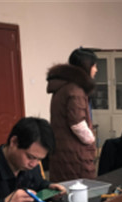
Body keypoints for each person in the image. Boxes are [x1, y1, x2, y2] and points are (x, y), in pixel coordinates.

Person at [46, 47, 98, 181]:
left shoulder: (64, 87)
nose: (96, 70)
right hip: (75, 155)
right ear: (87, 66)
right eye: (94, 66)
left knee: (63, 187)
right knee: (82, 188)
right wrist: (92, 140)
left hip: (63, 151)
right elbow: (77, 124)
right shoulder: (76, 90)